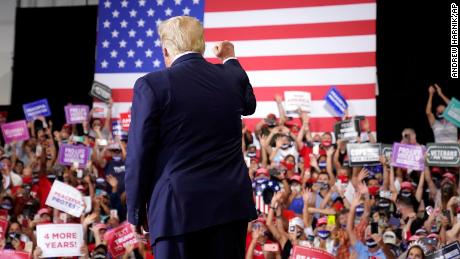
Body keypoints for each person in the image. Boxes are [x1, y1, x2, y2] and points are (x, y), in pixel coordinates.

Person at [125, 16, 257, 259]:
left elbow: (138, 153)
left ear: (166, 49)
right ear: (202, 46)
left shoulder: (152, 85)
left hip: (176, 212)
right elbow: (249, 104)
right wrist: (230, 59)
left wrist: (135, 211)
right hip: (229, 208)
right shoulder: (229, 76)